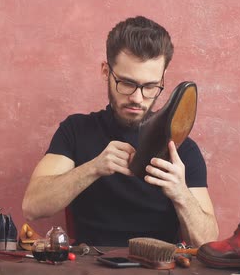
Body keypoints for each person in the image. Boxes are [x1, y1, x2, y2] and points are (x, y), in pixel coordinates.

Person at [22, 16, 218, 247]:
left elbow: (207, 242)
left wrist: (180, 193)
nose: (137, 98)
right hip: (91, 274)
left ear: (162, 79)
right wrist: (94, 168)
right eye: (126, 83)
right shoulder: (76, 130)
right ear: (106, 71)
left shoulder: (182, 147)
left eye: (150, 86)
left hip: (160, 273)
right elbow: (32, 207)